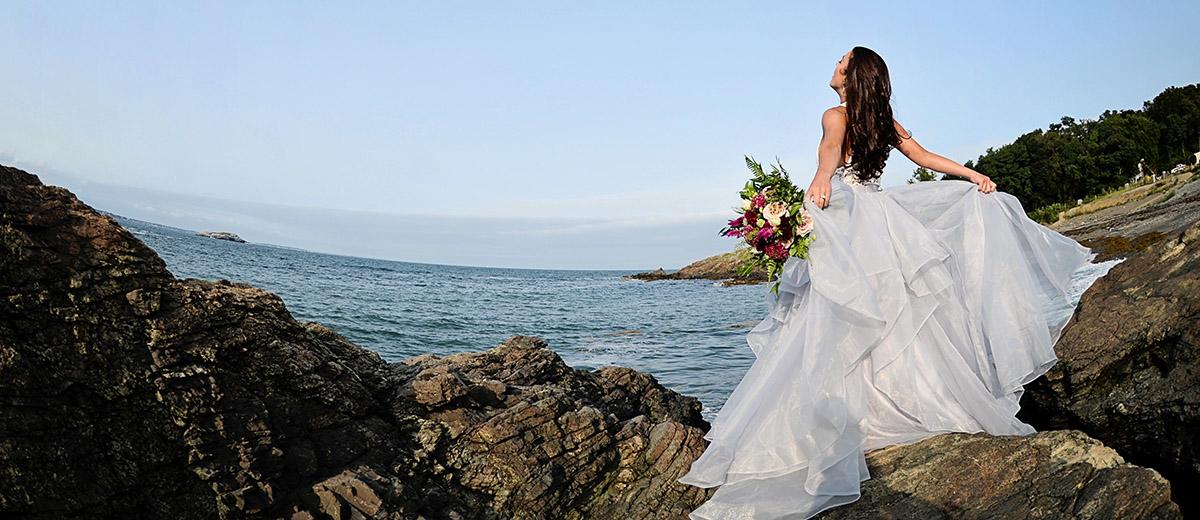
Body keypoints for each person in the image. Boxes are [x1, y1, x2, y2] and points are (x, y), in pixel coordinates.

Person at [676, 46, 1107, 519]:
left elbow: (829, 154)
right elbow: (921, 156)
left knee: (839, 316)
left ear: (851, 74)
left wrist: (821, 182)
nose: (834, 64)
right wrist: (969, 172)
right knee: (885, 312)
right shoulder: (884, 122)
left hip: (848, 216)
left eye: (840, 60)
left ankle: (856, 416)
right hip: (879, 219)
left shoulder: (835, 114)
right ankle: (893, 401)